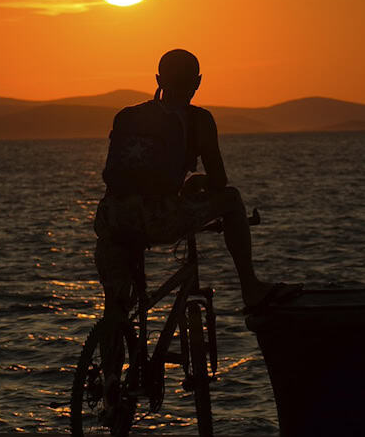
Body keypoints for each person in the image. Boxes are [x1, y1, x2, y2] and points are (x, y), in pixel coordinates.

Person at [94, 49, 301, 332]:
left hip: (112, 219)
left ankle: (110, 375)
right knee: (231, 199)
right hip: (157, 219)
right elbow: (219, 181)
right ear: (198, 81)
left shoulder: (128, 116)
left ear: (158, 79)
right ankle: (250, 288)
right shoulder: (199, 121)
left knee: (114, 313)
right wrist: (198, 182)